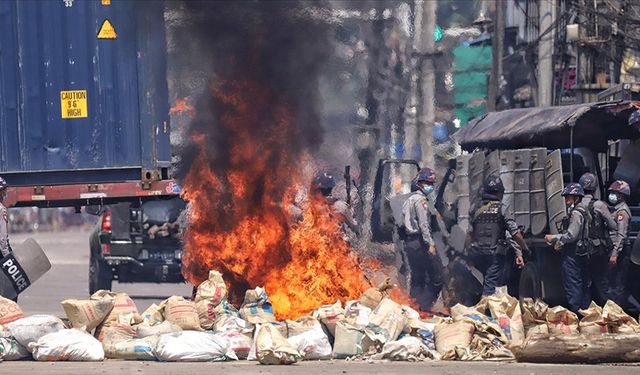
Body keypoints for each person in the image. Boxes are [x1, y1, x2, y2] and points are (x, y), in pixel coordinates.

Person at [468, 175, 528, 296]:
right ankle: (487, 312)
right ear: (500, 192)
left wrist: (468, 254)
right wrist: (525, 248)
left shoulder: (474, 208)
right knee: (491, 285)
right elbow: (514, 234)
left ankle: (482, 307)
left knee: (484, 282)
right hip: (494, 254)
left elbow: (469, 234)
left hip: (477, 253)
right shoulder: (502, 208)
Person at [545, 183, 591, 314]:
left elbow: (571, 235)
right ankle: (585, 314)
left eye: (568, 198)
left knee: (573, 284)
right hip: (582, 251)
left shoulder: (576, 213)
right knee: (583, 283)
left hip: (573, 253)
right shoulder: (584, 210)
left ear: (577, 198)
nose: (566, 201)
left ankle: (576, 314)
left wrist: (553, 238)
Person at [401, 168, 444, 310]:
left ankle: (413, 307)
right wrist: (430, 244)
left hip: (409, 242)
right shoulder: (421, 200)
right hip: (420, 242)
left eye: (432, 183)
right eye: (428, 183)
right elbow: (424, 224)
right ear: (419, 183)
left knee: (417, 278)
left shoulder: (408, 200)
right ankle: (424, 307)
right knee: (437, 276)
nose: (430, 186)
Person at [579, 172, 617, 305]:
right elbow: (613, 226)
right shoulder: (599, 205)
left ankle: (586, 313)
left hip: (581, 249)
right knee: (602, 282)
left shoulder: (576, 204)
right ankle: (609, 312)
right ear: (595, 188)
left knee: (584, 282)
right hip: (597, 249)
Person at [310, 171, 360, 236]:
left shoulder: (311, 207)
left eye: (315, 191)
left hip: (330, 243)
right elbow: (355, 227)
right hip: (331, 242)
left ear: (319, 191)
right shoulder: (340, 206)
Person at [607, 180, 632, 307]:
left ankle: (617, 314)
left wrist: (615, 254)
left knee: (617, 285)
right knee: (611, 284)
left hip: (620, 252)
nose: (612, 195)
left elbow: (621, 235)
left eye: (615, 193)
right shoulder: (614, 210)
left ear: (622, 195)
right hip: (615, 249)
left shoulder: (622, 212)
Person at [0, 177, 10, 258]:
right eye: (3, 191)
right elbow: (3, 238)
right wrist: (7, 256)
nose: (5, 193)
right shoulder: (1, 209)